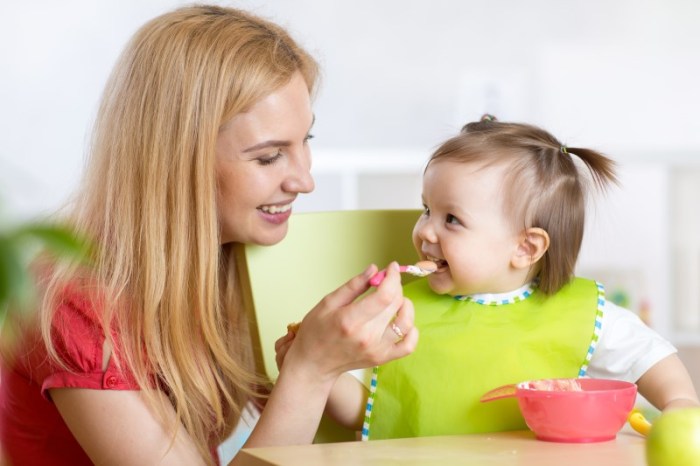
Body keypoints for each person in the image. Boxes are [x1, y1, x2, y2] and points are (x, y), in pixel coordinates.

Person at [0, 5, 418, 465]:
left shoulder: (235, 259)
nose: (304, 180)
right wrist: (311, 370)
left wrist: (334, 367)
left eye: (306, 143)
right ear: (177, 162)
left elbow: (317, 442)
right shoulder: (75, 303)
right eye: (268, 157)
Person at [277, 115, 699, 440]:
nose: (424, 230)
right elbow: (372, 411)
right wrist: (318, 373)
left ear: (525, 248)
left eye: (452, 219)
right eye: (427, 209)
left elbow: (650, 356)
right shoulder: (398, 314)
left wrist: (680, 402)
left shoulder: (583, 314)